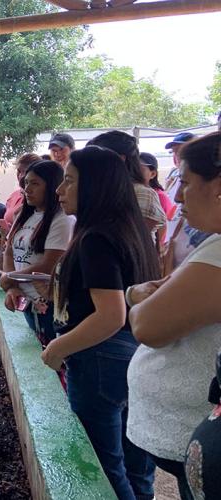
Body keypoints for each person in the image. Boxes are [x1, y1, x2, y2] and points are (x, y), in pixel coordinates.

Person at [41, 146, 160, 500]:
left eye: (70, 181)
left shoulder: (95, 238)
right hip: (131, 355)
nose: (60, 190)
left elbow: (110, 314)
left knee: (103, 468)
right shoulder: (130, 228)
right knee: (135, 467)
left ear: (95, 186)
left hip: (98, 358)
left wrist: (58, 347)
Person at [126, 132, 221, 500]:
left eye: (185, 181)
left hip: (193, 438)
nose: (178, 195)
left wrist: (138, 300)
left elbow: (149, 325)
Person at [0, 160, 73, 347]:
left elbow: (49, 263)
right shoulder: (25, 214)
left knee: (50, 355)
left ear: (52, 185)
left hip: (47, 303)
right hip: (25, 300)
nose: (27, 189)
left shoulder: (62, 219)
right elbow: (9, 251)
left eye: (35, 183)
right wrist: (12, 286)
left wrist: (10, 277)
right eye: (26, 183)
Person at [88, 130, 166, 238]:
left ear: (119, 159)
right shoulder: (103, 190)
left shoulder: (141, 193)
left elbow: (130, 238)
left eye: (96, 159)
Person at [161, 132, 211, 273]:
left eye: (181, 151)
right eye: (174, 152)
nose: (177, 156)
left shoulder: (213, 245)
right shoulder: (173, 178)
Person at [3, 153, 42, 228]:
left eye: (25, 171)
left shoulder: (40, 198)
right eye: (19, 171)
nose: (21, 175)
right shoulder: (13, 195)